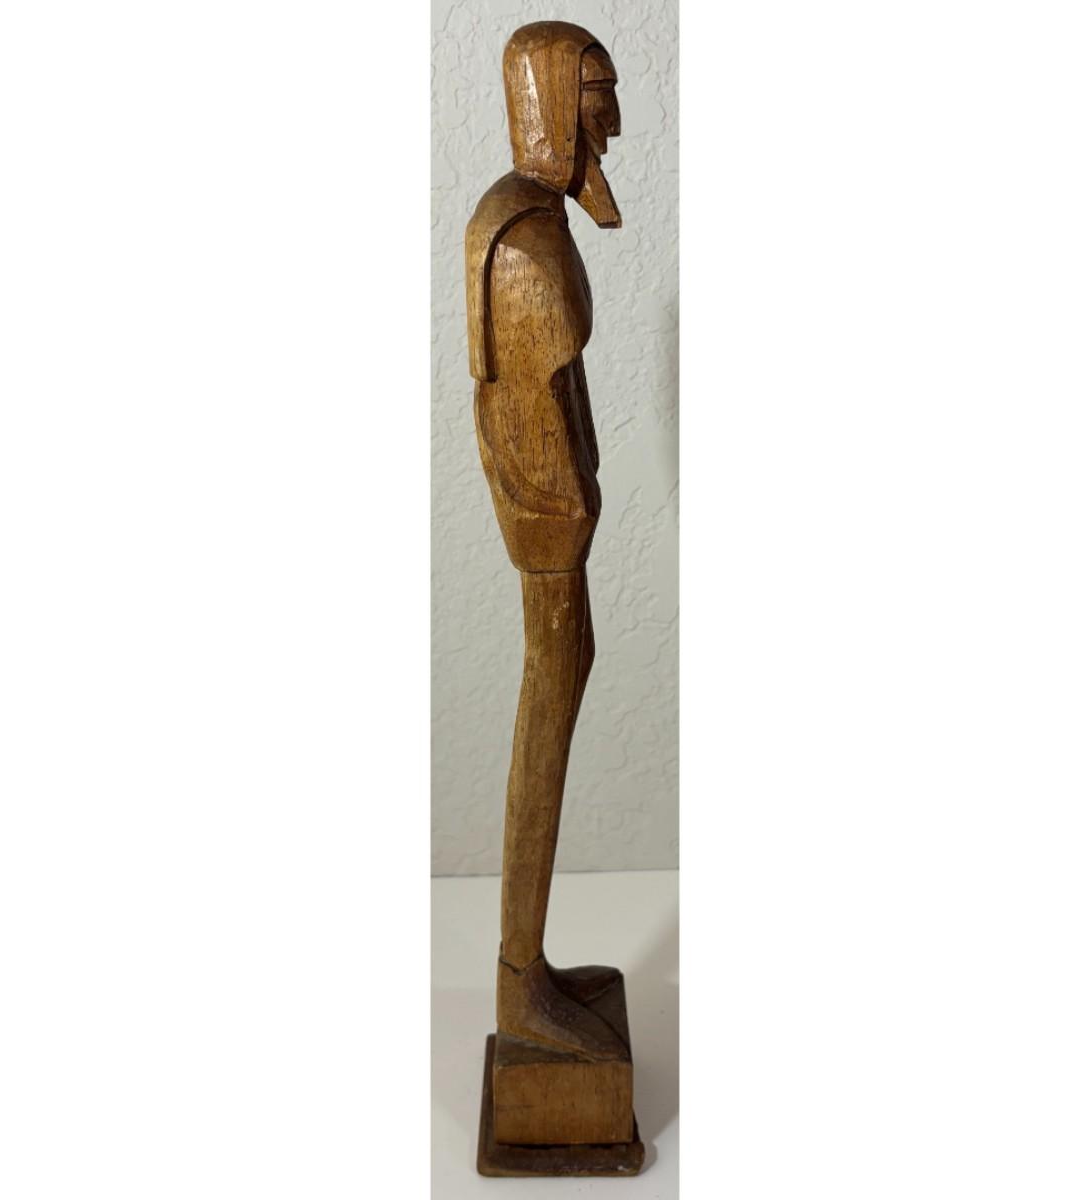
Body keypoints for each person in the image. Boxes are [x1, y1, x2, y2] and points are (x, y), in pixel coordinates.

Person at [464, 21, 627, 1061]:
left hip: (556, 525)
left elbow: (555, 395)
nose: (613, 126)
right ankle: (519, 981)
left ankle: (527, 965)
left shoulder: (525, 218)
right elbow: (526, 415)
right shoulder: (525, 242)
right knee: (548, 698)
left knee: (557, 690)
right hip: (549, 535)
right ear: (557, 101)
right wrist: (569, 510)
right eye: (599, 101)